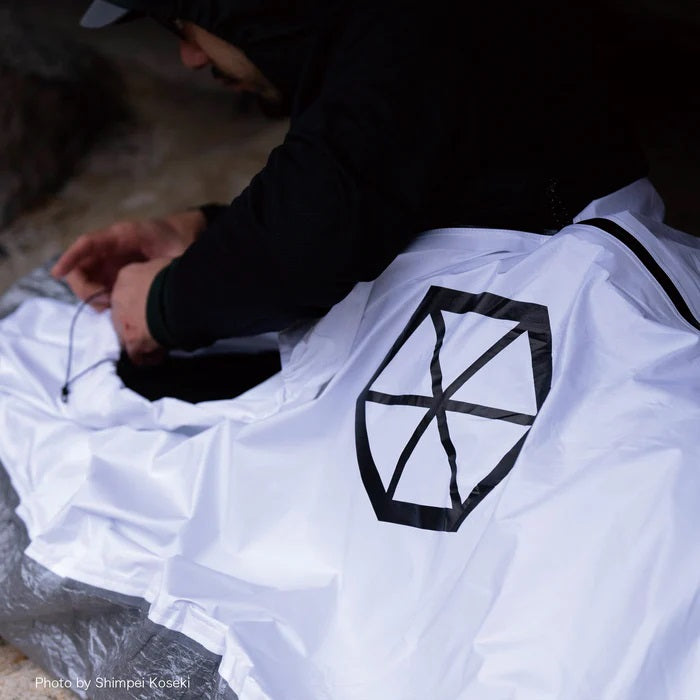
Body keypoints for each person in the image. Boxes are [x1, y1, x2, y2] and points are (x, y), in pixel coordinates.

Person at [52, 0, 647, 370]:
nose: (188, 58)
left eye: (185, 25)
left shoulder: (411, 35)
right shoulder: (378, 48)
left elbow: (312, 232)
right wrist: (209, 229)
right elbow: (373, 187)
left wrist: (165, 303)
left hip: (579, 323)